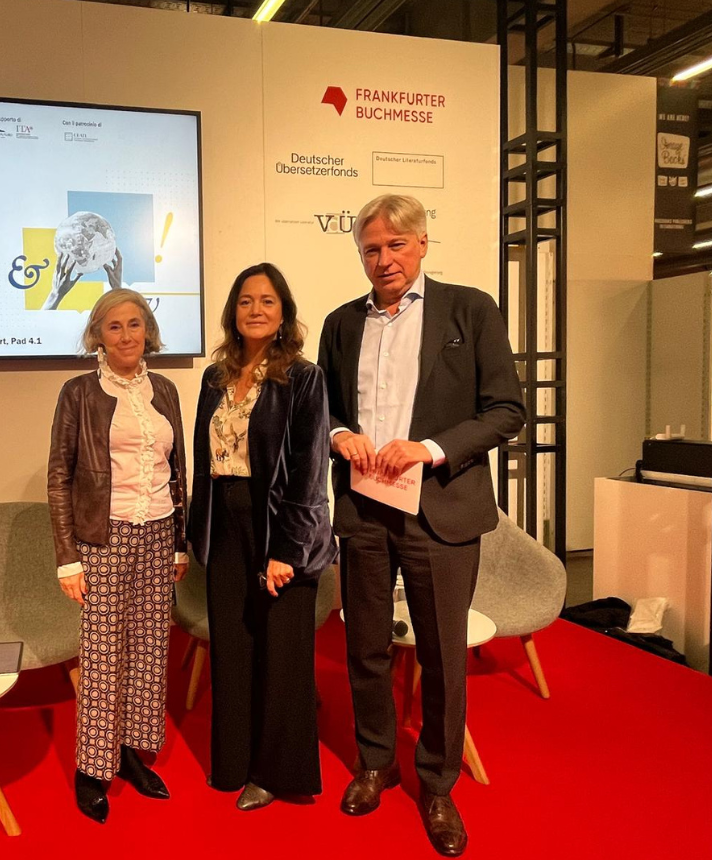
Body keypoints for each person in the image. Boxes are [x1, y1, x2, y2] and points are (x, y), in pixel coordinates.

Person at [317, 194, 524, 857]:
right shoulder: (341, 323)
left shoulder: (470, 310)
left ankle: (437, 784)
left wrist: (429, 448)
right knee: (365, 647)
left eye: (396, 245)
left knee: (441, 656)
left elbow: (506, 410)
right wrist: (341, 435)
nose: (384, 259)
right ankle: (376, 762)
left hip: (440, 509)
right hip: (365, 510)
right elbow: (324, 409)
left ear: (423, 244)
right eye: (371, 249)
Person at [188, 262, 334, 811]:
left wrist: (287, 551)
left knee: (282, 652)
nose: (255, 310)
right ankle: (233, 761)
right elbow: (203, 461)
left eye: (267, 301)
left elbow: (308, 471)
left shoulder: (303, 377)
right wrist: (197, 533)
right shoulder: (215, 376)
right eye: (246, 301)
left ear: (283, 313)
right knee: (233, 646)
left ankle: (275, 772)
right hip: (225, 525)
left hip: (280, 527)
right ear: (233, 312)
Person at [47, 288, 189, 824]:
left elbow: (178, 470)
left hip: (158, 534)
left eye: (135, 324)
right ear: (98, 336)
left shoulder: (165, 389)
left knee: (149, 650)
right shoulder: (79, 392)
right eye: (114, 326)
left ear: (148, 330)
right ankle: (92, 769)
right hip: (103, 538)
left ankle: (130, 753)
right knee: (104, 656)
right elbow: (59, 477)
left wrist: (180, 541)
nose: (126, 335)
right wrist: (68, 557)